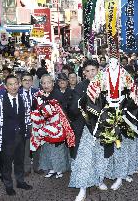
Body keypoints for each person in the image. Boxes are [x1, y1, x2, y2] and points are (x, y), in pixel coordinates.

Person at [68, 59, 108, 201]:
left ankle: (99, 180)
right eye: (88, 71)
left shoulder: (105, 85)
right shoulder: (80, 87)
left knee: (101, 157)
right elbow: (72, 109)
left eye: (93, 70)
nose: (91, 73)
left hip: (102, 128)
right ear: (84, 73)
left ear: (98, 70)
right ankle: (82, 187)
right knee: (83, 159)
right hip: (85, 129)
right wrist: (86, 99)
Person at [0, 75, 33, 196]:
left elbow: (27, 115)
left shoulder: (23, 98)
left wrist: (28, 129)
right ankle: (8, 185)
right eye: (10, 84)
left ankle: (20, 181)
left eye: (15, 84)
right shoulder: (0, 99)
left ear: (19, 84)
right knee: (6, 162)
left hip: (21, 135)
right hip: (7, 136)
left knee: (19, 160)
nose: (13, 86)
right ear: (6, 87)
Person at [33, 74, 74, 179]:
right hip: (45, 126)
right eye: (44, 83)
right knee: (47, 148)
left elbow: (64, 111)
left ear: (53, 83)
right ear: (41, 84)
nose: (46, 85)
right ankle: (51, 168)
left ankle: (59, 169)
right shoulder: (39, 95)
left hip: (57, 126)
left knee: (58, 149)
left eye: (49, 82)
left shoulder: (57, 94)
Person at [19, 73, 39, 176]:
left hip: (35, 123)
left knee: (36, 145)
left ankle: (37, 166)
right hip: (23, 124)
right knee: (25, 147)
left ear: (32, 81)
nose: (27, 82)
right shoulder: (17, 92)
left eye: (29, 80)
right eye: (25, 80)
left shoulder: (36, 92)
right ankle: (26, 168)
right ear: (21, 82)